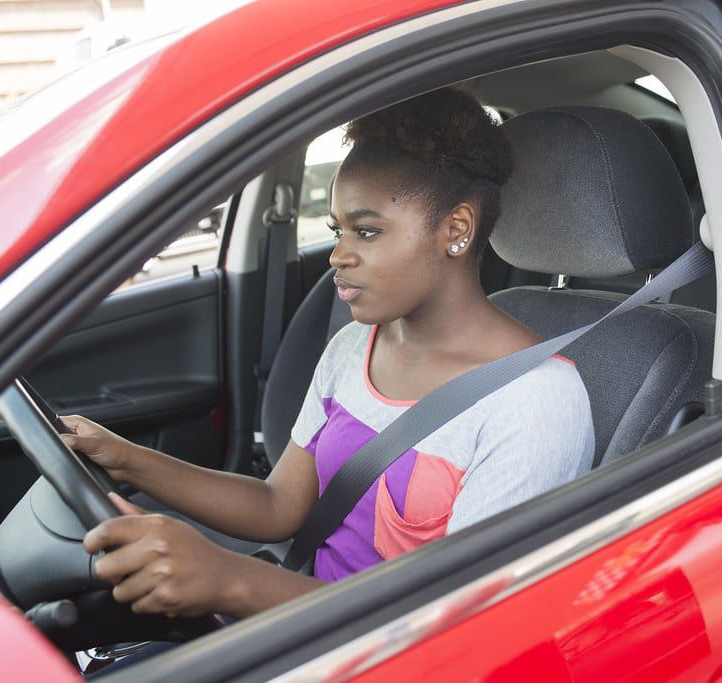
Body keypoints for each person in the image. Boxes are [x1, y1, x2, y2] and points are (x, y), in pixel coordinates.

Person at [63, 87, 594, 621]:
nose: (339, 254)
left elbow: (454, 623)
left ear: (455, 229)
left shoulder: (535, 401)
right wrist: (124, 457)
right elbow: (278, 505)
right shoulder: (352, 348)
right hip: (303, 626)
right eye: (339, 230)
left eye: (367, 231)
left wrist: (230, 580)